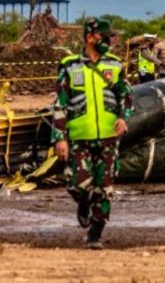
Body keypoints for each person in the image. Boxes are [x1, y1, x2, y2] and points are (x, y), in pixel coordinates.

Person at [51, 17, 133, 249]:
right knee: (77, 185)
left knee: (104, 186)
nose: (110, 41)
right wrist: (59, 138)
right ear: (90, 37)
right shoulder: (69, 66)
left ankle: (95, 233)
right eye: (105, 37)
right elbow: (60, 104)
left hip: (108, 138)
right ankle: (83, 204)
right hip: (78, 138)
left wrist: (123, 118)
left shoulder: (115, 65)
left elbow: (126, 97)